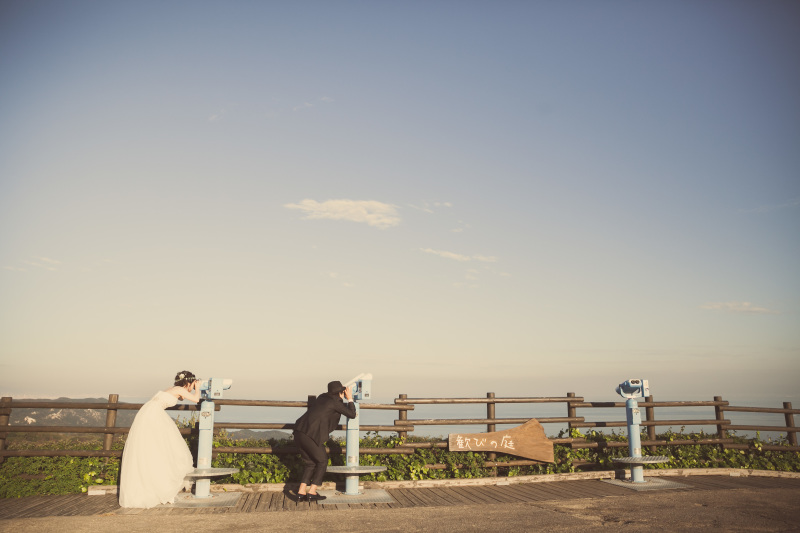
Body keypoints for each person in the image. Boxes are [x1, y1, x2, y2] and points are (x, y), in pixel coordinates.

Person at [118, 370, 202, 508]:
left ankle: (155, 486)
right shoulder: (180, 389)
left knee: (154, 448)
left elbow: (181, 398)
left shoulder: (173, 388)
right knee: (167, 447)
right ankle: (163, 488)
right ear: (188, 382)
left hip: (148, 412)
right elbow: (196, 399)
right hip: (154, 414)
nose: (192, 387)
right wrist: (197, 388)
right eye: (192, 384)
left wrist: (190, 387)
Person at [292, 380, 356, 501]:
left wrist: (340, 396)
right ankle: (312, 492)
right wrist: (350, 399)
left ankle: (301, 492)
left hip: (299, 431)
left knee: (310, 463)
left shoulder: (322, 397)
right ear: (340, 393)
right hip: (310, 435)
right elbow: (352, 414)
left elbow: (330, 407)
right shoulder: (335, 402)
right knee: (322, 461)